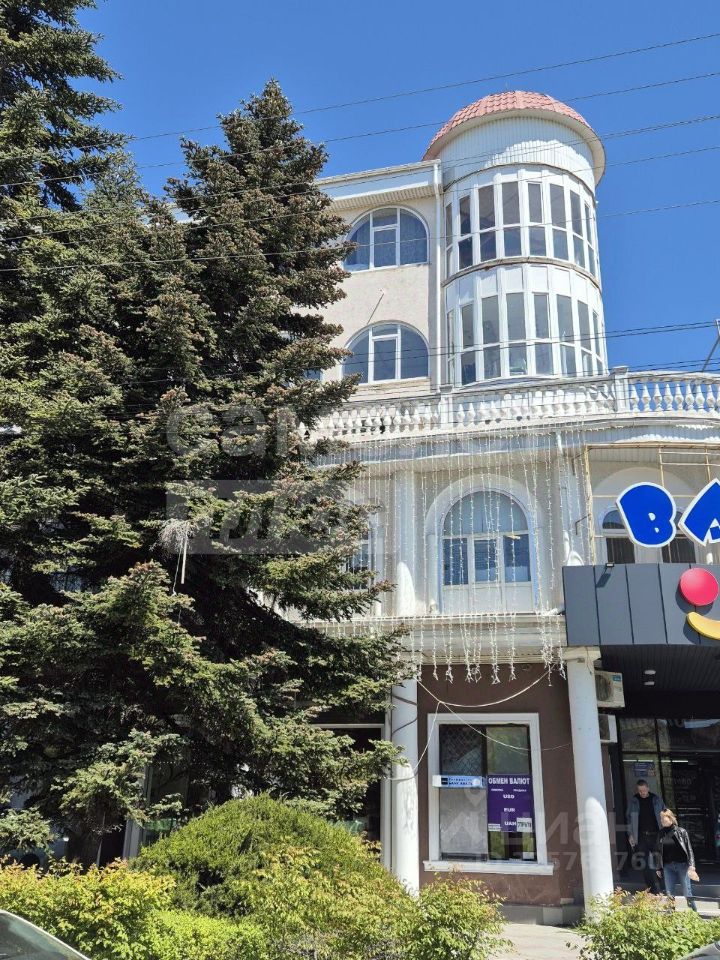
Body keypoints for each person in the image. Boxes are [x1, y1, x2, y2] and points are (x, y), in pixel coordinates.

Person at [626, 779, 665, 893]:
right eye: (640, 791)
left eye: (644, 790)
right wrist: (630, 835)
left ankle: (664, 888)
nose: (642, 793)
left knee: (659, 861)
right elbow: (629, 819)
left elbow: (665, 814)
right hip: (641, 836)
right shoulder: (634, 801)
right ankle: (652, 889)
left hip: (656, 835)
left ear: (648, 788)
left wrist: (666, 831)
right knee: (644, 864)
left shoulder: (656, 799)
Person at [656, 808, 698, 911]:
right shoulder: (661, 833)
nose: (662, 820)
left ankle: (694, 913)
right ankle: (671, 915)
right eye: (661, 818)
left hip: (682, 865)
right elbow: (658, 852)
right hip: (668, 867)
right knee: (669, 892)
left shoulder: (681, 832)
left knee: (687, 892)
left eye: (664, 818)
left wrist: (692, 865)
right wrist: (658, 867)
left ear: (670, 818)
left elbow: (689, 849)